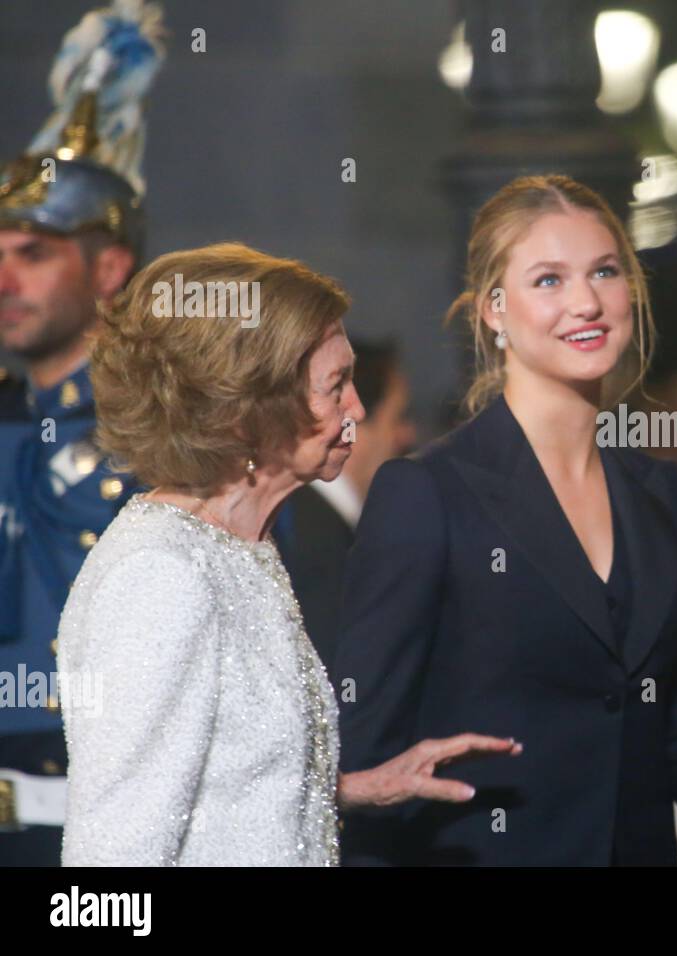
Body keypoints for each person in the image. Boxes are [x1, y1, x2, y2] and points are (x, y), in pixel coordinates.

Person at [333, 174, 677, 866]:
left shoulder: (660, 494)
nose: (586, 302)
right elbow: (366, 753)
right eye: (548, 279)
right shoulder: (427, 494)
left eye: (604, 271)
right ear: (493, 310)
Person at [57, 242, 520, 866]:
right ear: (246, 414)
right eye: (336, 387)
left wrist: (350, 789)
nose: (358, 411)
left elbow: (224, 794)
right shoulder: (160, 575)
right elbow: (111, 858)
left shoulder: (242, 548)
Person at [0, 0, 162, 864]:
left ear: (109, 267)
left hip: (107, 827)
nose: (3, 278)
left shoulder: (171, 433)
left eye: (33, 253)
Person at [280, 339, 416, 669]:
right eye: (396, 418)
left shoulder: (306, 521)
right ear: (355, 427)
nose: (406, 436)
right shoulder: (321, 542)